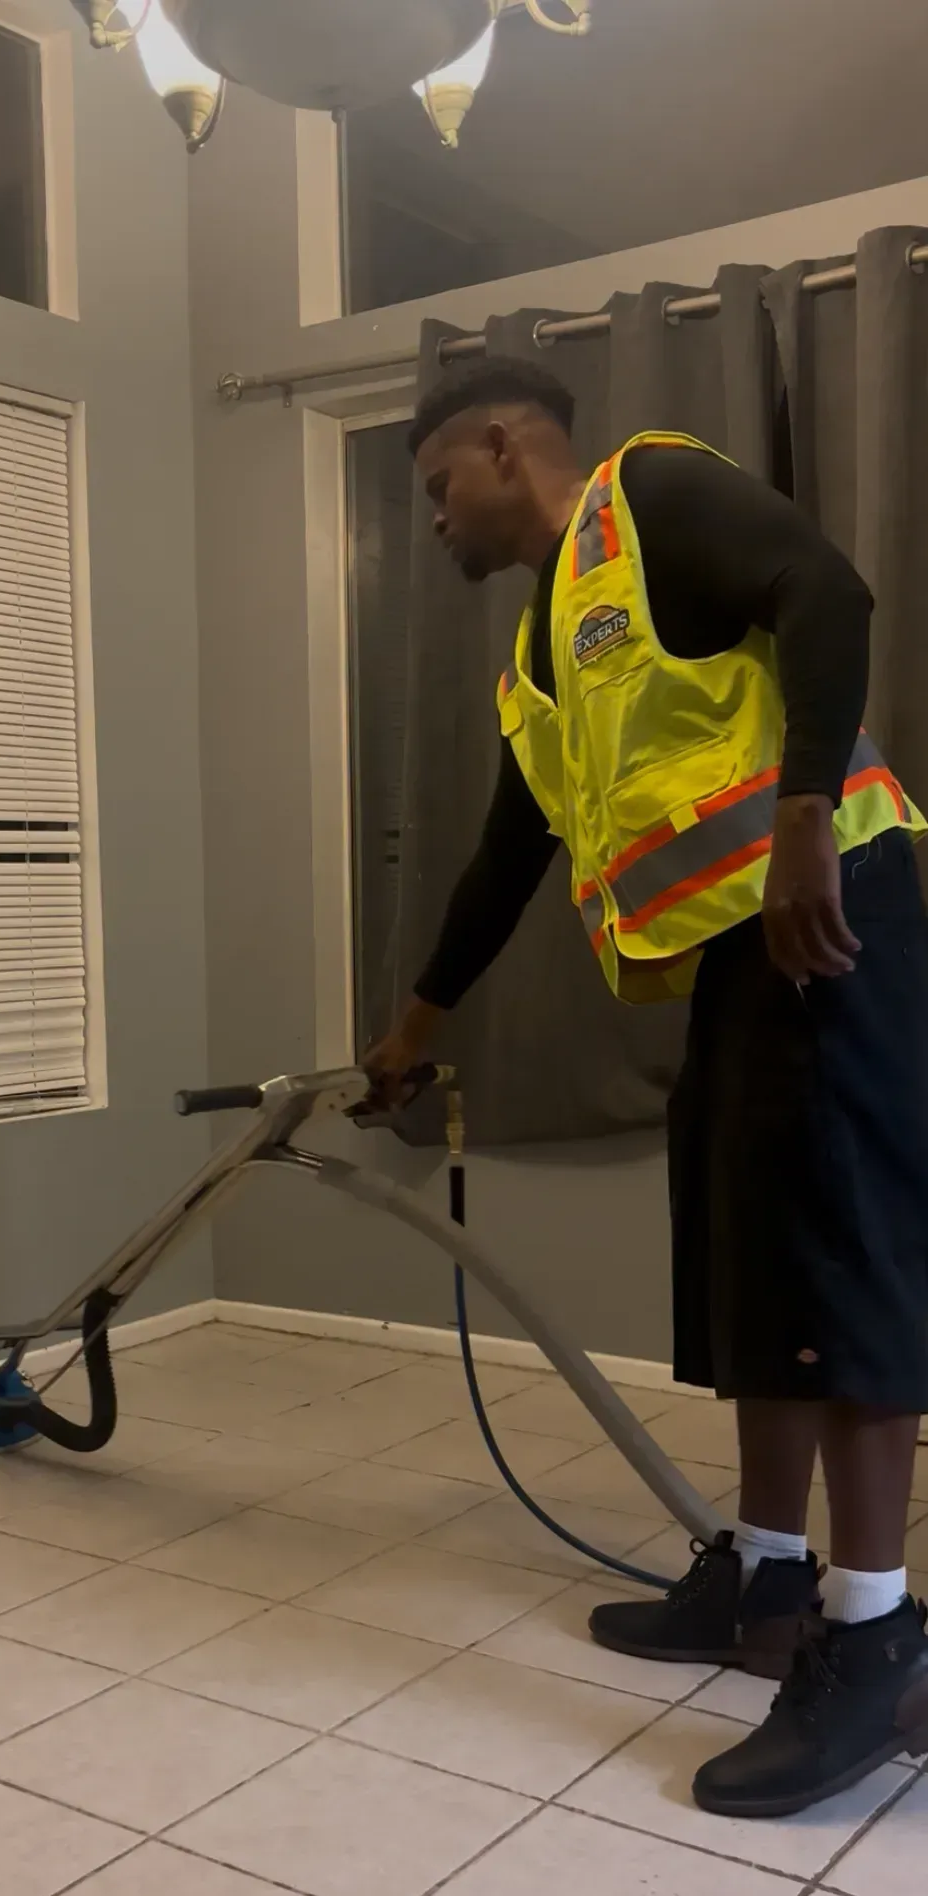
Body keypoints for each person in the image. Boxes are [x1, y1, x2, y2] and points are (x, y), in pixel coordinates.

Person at [367, 356, 928, 1818]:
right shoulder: (543, 661)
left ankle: (870, 1643)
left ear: (504, 446)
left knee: (841, 1275)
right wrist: (414, 1022)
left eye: (437, 489)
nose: (433, 524)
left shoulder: (649, 496)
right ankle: (760, 1581)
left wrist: (805, 817)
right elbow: (506, 857)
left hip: (833, 919)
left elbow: (829, 594)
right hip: (737, 963)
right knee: (754, 1282)